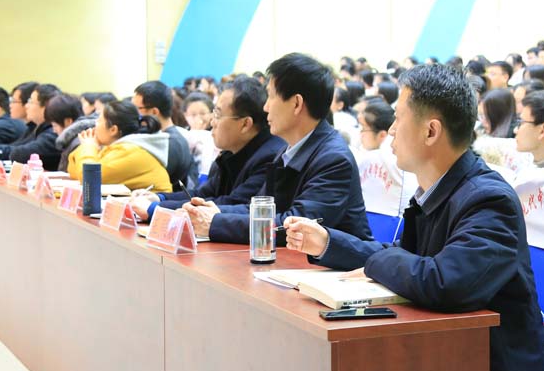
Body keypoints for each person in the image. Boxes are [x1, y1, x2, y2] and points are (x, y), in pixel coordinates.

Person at [283, 64, 544, 371]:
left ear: (431, 131)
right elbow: (406, 260)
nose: (391, 130)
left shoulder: (489, 199)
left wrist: (375, 264)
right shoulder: (439, 192)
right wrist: (329, 243)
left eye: (398, 118)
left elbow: (445, 281)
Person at [182, 53, 372, 244]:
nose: (265, 107)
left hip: (337, 263)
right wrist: (214, 211)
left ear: (296, 104)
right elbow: (260, 209)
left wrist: (216, 222)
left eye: (271, 96)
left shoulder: (334, 159)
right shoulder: (287, 151)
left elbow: (296, 227)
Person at [131, 76, 285, 219]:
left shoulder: (270, 157)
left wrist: (155, 209)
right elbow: (203, 194)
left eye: (218, 114)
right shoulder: (230, 153)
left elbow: (232, 204)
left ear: (245, 124)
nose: (212, 122)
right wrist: (159, 198)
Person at [68, 100, 172, 192]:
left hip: (156, 205)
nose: (95, 124)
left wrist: (88, 147)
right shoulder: (116, 147)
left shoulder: (130, 151)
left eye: (99, 120)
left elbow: (88, 178)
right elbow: (75, 172)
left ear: (113, 130)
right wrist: (89, 147)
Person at [356, 99, 417, 216]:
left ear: (382, 135)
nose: (361, 133)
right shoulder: (369, 153)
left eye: (364, 128)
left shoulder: (392, 158)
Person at [133, 81, 197, 189]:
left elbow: (145, 180)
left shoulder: (171, 143)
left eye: (136, 109)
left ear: (154, 112)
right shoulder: (164, 138)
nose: (133, 114)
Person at [0, 84, 61, 169]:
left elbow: (21, 153)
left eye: (31, 102)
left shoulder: (53, 131)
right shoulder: (35, 127)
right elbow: (17, 146)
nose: (27, 106)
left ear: (46, 106)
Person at [46, 93, 89, 171]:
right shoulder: (77, 138)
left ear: (68, 121)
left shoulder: (78, 143)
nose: (54, 130)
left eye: (55, 125)